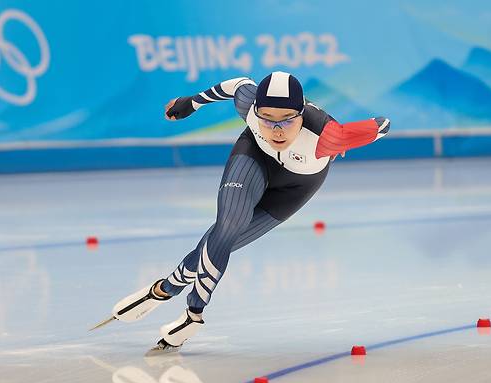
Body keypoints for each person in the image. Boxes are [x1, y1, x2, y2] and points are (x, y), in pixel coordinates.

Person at [110, 71, 390, 354]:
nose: (276, 130)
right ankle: (193, 314)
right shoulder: (248, 103)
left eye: (287, 121)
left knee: (225, 241)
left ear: (302, 116)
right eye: (267, 118)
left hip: (295, 188)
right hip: (254, 157)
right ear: (255, 110)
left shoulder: (328, 136)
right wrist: (191, 102)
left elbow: (382, 124)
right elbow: (236, 85)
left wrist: (350, 137)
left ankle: (167, 287)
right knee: (228, 225)